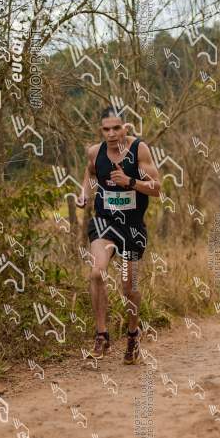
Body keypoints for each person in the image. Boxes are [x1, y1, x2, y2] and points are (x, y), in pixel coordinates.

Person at [76, 106, 160, 364]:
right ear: (101, 130)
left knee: (128, 287)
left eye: (116, 128)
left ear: (126, 127)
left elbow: (156, 188)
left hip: (132, 226)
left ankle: (133, 335)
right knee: (96, 273)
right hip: (104, 222)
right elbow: (90, 173)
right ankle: (101, 336)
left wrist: (130, 182)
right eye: (106, 129)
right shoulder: (95, 152)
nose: (111, 134)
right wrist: (84, 194)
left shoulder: (139, 151)